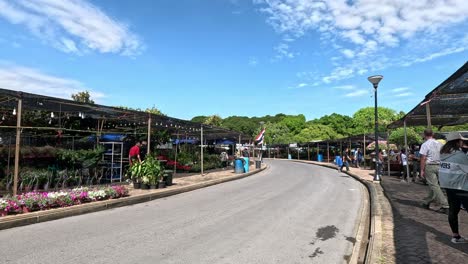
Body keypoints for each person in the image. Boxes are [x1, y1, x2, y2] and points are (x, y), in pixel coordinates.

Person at [439, 132, 468, 243]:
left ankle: (455, 237)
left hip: (448, 187)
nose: (462, 142)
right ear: (457, 142)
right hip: (461, 187)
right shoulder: (460, 156)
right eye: (461, 140)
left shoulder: (443, 154)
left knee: (453, 211)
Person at [420, 129, 449, 212]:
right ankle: (426, 202)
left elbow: (423, 158)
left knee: (434, 186)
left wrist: (422, 170)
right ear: (433, 134)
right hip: (440, 165)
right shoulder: (440, 144)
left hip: (430, 166)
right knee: (435, 185)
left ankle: (445, 205)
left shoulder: (425, 144)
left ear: (424, 135)